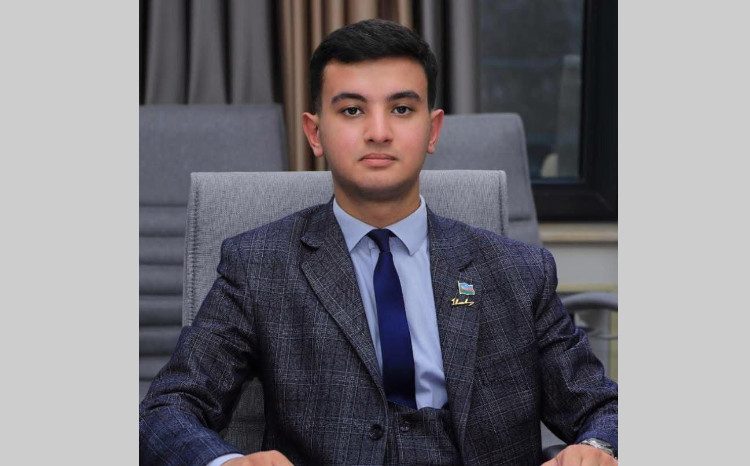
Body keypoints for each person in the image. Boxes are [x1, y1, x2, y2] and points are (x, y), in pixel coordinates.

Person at [139, 19, 618, 466]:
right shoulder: (259, 265)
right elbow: (168, 409)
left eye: (402, 109)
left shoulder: (517, 270)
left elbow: (603, 408)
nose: (379, 132)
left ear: (432, 130)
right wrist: (228, 463)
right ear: (315, 133)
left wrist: (595, 447)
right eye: (352, 110)